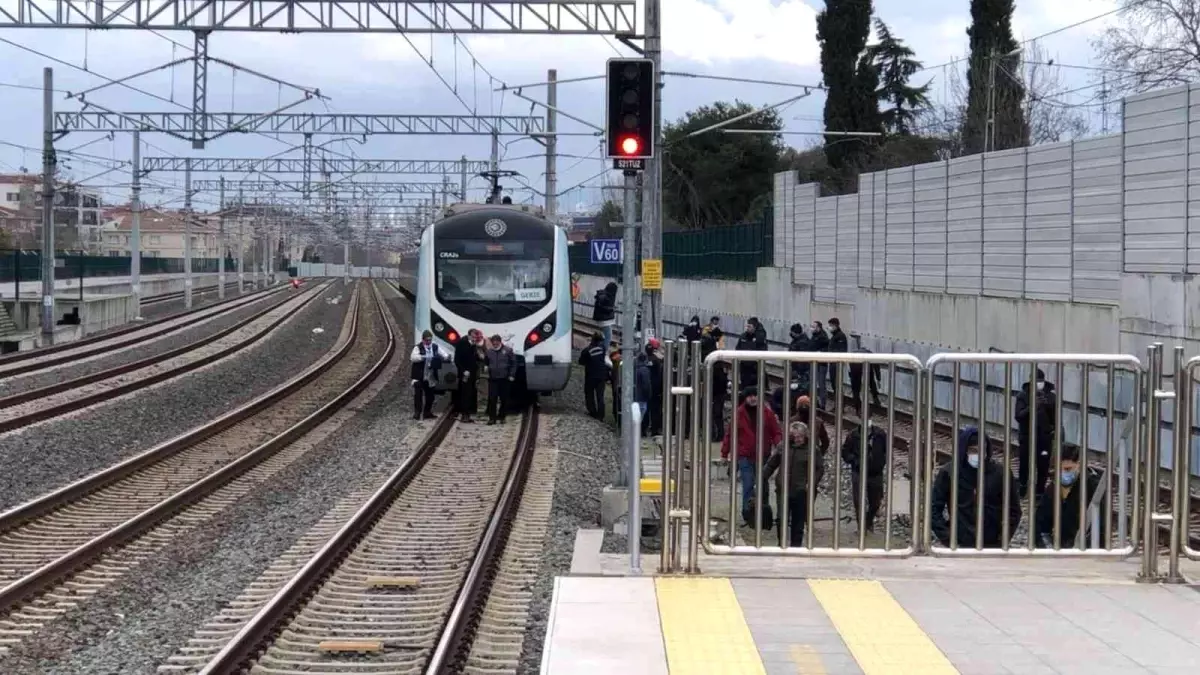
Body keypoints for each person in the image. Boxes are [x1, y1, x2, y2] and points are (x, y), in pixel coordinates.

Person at [930, 426, 1022, 549]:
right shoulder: (949, 473)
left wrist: (1002, 538)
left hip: (992, 543)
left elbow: (1014, 510)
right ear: (964, 450)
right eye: (973, 450)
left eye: (981, 450)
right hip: (960, 543)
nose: (978, 455)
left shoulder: (1001, 473)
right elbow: (934, 509)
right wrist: (947, 537)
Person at [720, 386, 784, 527]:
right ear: (746, 398)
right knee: (748, 484)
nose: (753, 398)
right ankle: (748, 514)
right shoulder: (739, 414)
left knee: (763, 485)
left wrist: (778, 444)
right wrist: (725, 453)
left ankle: (764, 513)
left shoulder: (766, 413)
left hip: (764, 456)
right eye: (750, 396)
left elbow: (776, 431)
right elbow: (730, 435)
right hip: (745, 456)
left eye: (755, 395)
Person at [764, 421, 826, 547]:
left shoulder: (812, 449)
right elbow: (771, 464)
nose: (797, 439)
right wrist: (761, 478)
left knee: (798, 522)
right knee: (781, 519)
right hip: (783, 490)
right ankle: (781, 544)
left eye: (800, 436)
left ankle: (795, 546)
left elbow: (819, 469)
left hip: (801, 491)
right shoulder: (783, 446)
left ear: (805, 436)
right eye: (795, 436)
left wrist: (811, 483)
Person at [1035, 445, 1108, 549]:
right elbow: (1040, 525)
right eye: (1058, 469)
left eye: (1068, 469)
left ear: (1079, 465)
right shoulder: (1053, 488)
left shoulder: (1093, 488)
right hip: (1062, 549)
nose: (1063, 473)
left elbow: (1099, 527)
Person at [1015, 368, 1059, 497]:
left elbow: (1055, 419)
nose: (1039, 384)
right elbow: (1019, 416)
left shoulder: (1051, 397)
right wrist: (1033, 406)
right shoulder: (1023, 395)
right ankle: (1023, 486)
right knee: (1025, 463)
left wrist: (1048, 407)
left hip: (1044, 437)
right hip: (1027, 436)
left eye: (1041, 381)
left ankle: (1040, 490)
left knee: (1043, 465)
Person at [841, 422, 888, 532]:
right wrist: (855, 461)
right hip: (858, 472)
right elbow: (845, 452)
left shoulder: (880, 434)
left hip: (876, 473)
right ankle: (861, 527)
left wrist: (881, 462)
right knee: (858, 501)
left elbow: (887, 450)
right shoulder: (853, 435)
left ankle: (868, 520)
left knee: (876, 502)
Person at [409, 329, 443, 420]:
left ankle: (427, 412)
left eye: (430, 340)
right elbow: (413, 358)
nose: (428, 342)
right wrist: (423, 357)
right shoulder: (418, 347)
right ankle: (417, 413)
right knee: (418, 396)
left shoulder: (435, 347)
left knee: (430, 396)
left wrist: (447, 357)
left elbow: (443, 354)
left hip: (430, 376)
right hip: (419, 376)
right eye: (427, 340)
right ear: (423, 339)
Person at [484, 334, 516, 425]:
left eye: (496, 342)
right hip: (493, 379)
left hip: (504, 379)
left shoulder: (508, 351)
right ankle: (492, 418)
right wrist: (486, 368)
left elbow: (513, 363)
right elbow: (486, 362)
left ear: (500, 342)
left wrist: (512, 375)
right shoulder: (489, 352)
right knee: (492, 399)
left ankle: (502, 416)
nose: (495, 344)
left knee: (504, 399)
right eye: (493, 343)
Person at [453, 328, 484, 423]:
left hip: (473, 373)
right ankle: (464, 414)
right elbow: (457, 360)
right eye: (474, 337)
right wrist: (463, 371)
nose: (475, 339)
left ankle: (469, 412)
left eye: (476, 337)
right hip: (465, 373)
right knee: (465, 394)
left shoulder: (473, 345)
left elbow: (473, 358)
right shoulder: (462, 343)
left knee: (470, 393)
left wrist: (479, 357)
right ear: (469, 335)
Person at [579, 332, 609, 420]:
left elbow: (581, 362)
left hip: (590, 376)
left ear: (592, 339)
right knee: (600, 396)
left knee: (589, 394)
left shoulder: (586, 350)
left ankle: (592, 412)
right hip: (601, 376)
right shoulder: (603, 348)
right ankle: (601, 415)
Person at [848, 346, 883, 415]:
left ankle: (858, 408)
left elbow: (849, 368)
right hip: (866, 364)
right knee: (871, 380)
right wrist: (879, 379)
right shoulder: (870, 353)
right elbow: (876, 367)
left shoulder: (853, 353)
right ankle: (876, 399)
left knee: (856, 389)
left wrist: (851, 377)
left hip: (855, 365)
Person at [644, 339, 665, 436]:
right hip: (655, 388)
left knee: (645, 409)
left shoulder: (644, 360)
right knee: (655, 410)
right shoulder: (657, 361)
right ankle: (654, 429)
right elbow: (659, 375)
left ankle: (643, 429)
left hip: (645, 388)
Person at [808, 321, 830, 409]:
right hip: (815, 362)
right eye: (811, 326)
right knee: (815, 383)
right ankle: (815, 402)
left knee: (821, 384)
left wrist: (820, 352)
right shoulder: (815, 336)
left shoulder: (823, 337)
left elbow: (826, 348)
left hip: (821, 363)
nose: (811, 328)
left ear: (818, 328)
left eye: (813, 327)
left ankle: (822, 404)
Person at [735, 321, 761, 388]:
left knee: (753, 385)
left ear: (754, 328)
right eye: (747, 326)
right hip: (744, 365)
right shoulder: (743, 336)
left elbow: (763, 350)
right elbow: (737, 348)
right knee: (744, 383)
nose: (747, 328)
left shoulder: (759, 338)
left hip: (754, 366)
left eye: (750, 326)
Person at [592, 281, 618, 347]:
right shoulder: (605, 296)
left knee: (605, 336)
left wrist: (611, 308)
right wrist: (611, 309)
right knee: (608, 337)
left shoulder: (604, 295)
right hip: (604, 320)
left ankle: (601, 350)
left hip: (604, 319)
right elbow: (602, 307)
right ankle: (604, 352)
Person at [609, 341, 623, 426]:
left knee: (616, 401)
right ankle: (620, 420)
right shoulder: (625, 360)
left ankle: (617, 418)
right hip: (622, 384)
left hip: (615, 384)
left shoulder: (614, 358)